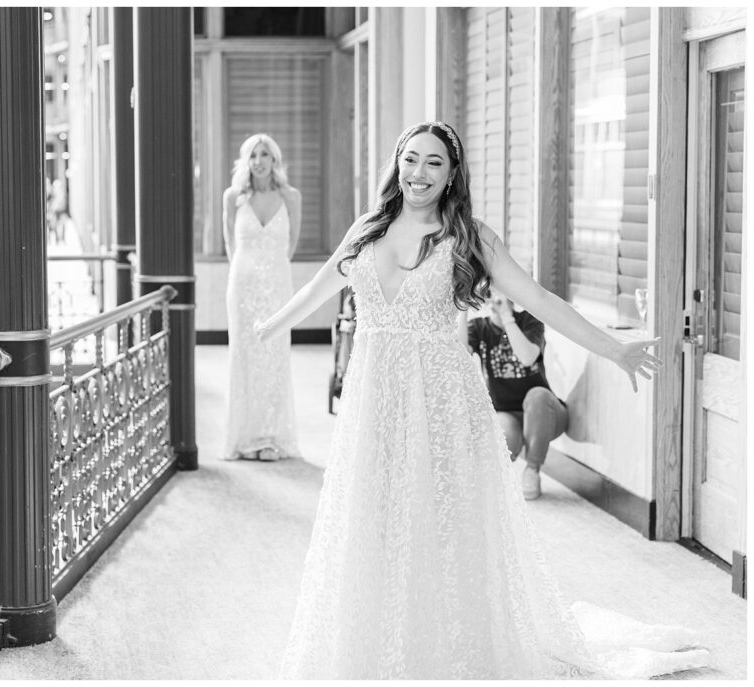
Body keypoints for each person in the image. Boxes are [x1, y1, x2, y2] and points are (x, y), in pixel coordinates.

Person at [255, 121, 708, 678]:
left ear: (452, 175)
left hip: (444, 400)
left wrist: (614, 349)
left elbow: (539, 299)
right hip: (374, 403)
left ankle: (445, 648)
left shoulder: (469, 236)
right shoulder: (368, 229)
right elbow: (318, 286)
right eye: (411, 159)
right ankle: (375, 643)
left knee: (441, 522)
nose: (419, 173)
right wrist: (268, 327)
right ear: (397, 163)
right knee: (372, 518)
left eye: (434, 163)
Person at [223, 133, 302, 461]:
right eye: (252, 155)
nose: (258, 161)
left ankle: (270, 437)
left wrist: (272, 273)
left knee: (274, 356)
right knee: (245, 357)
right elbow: (230, 245)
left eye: (264, 154)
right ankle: (244, 439)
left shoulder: (291, 196)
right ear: (246, 160)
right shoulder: (234, 197)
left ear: (274, 160)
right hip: (243, 287)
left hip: (278, 285)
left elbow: (292, 244)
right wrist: (248, 276)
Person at [461, 289, 567, 499]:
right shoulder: (479, 328)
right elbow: (460, 354)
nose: (495, 298)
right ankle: (499, 483)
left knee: (537, 396)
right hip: (506, 415)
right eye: (488, 292)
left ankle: (533, 470)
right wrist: (462, 310)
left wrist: (507, 318)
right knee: (501, 432)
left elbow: (527, 357)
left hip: (547, 414)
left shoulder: (530, 321)